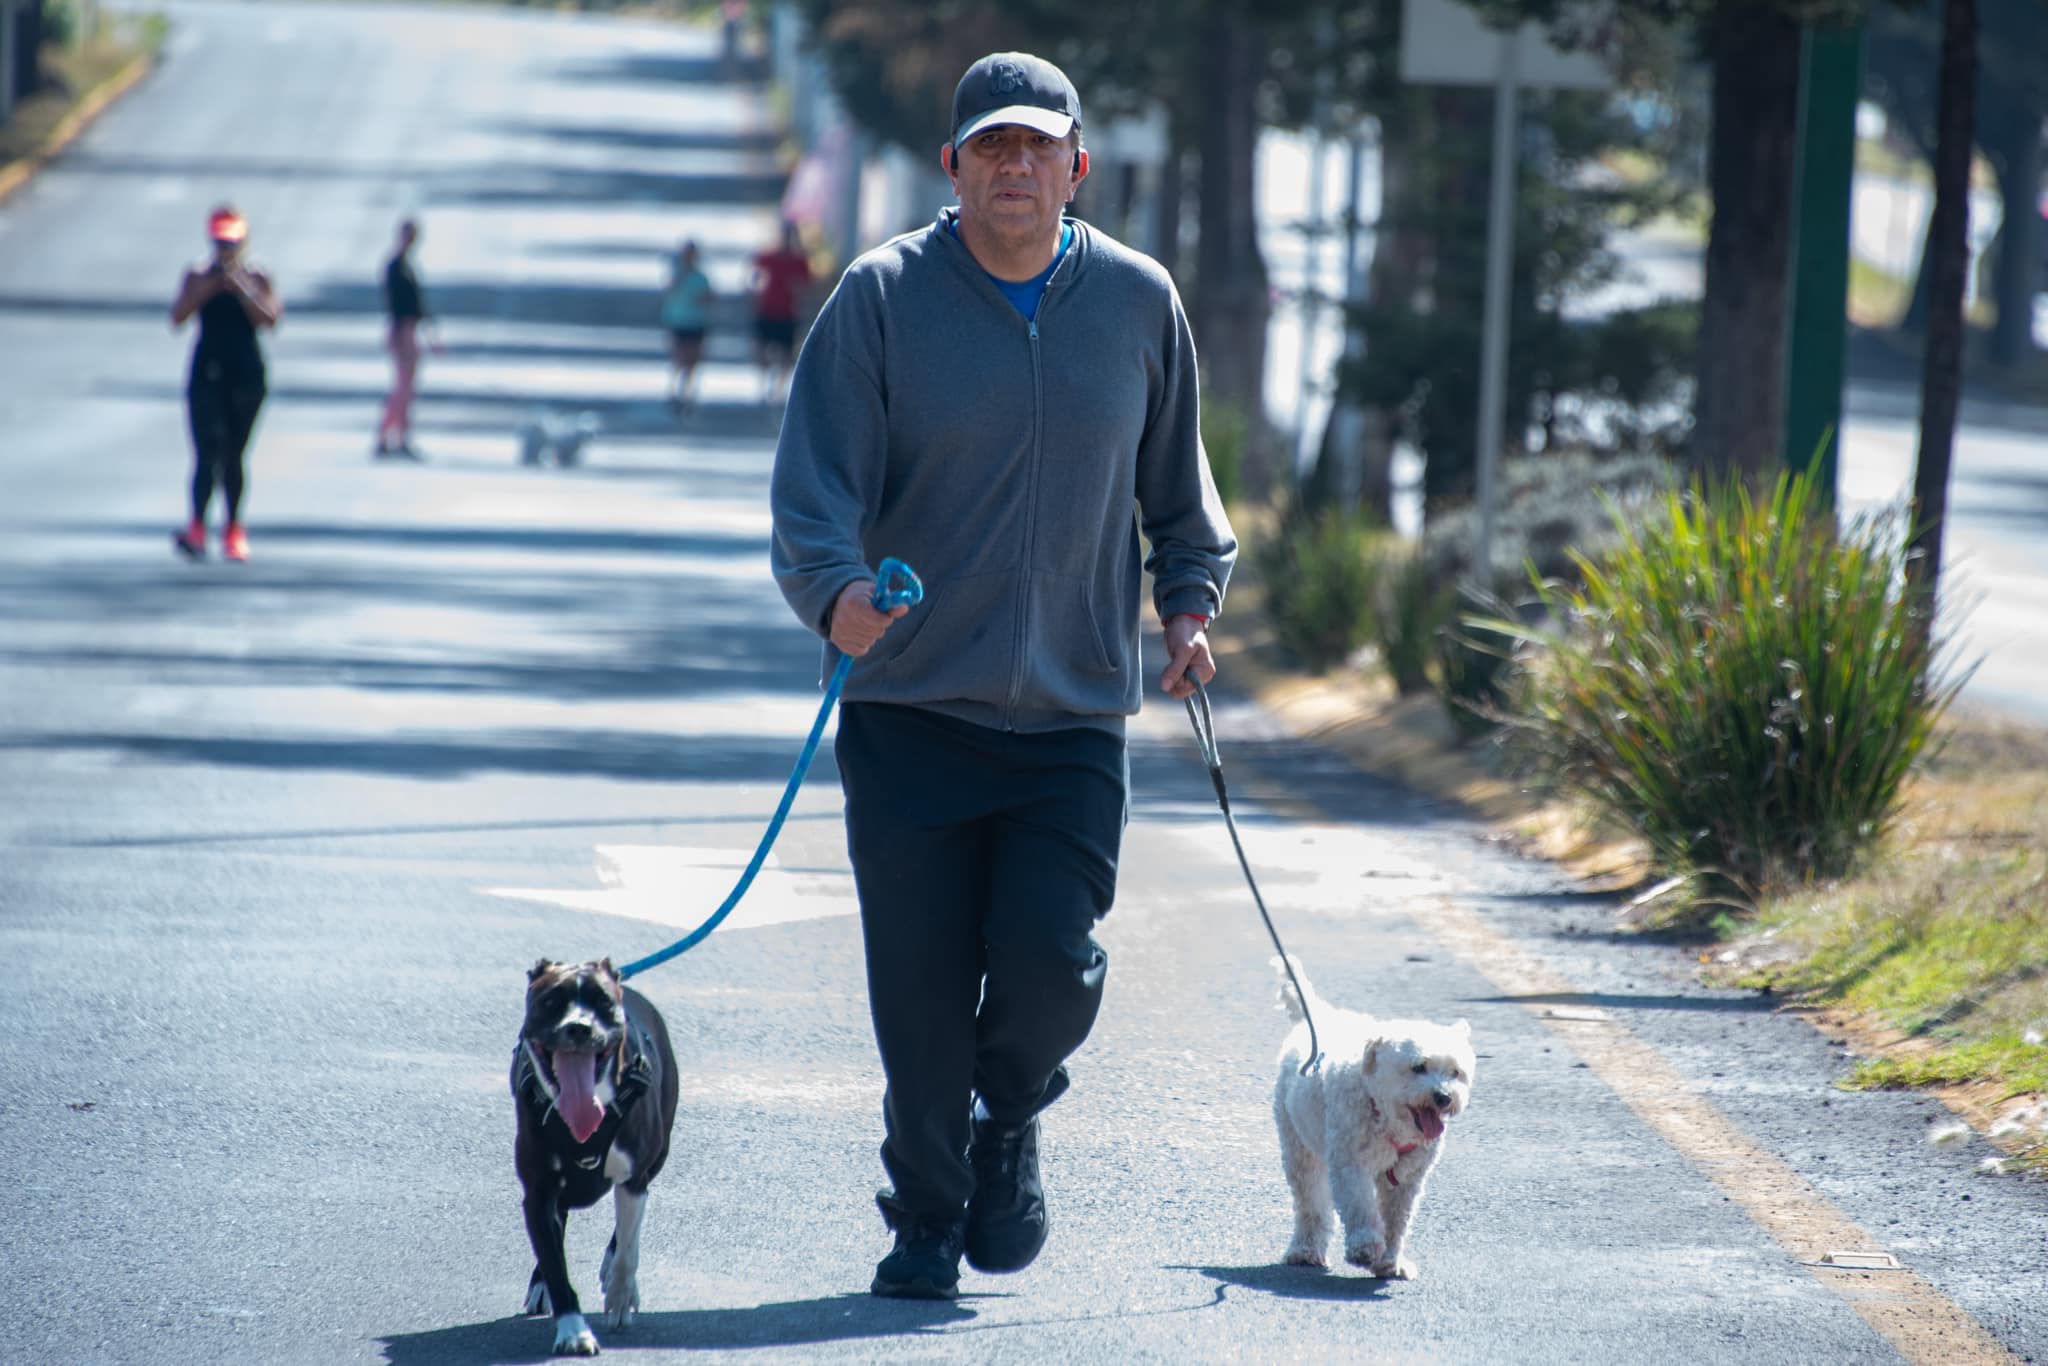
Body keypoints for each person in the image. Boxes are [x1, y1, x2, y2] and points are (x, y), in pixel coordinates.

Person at [768, 51, 1236, 1301]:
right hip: (910, 709)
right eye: (991, 148)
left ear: (1075, 167)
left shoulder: (1137, 304)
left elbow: (1181, 504)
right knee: (918, 1002)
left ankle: (1010, 1114)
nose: (1014, 167)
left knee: (1047, 959)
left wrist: (1187, 607)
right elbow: (813, 493)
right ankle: (925, 1216)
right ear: (954, 168)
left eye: (1037, 148)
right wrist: (838, 593)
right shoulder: (878, 299)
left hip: (1074, 715)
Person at [169, 205, 283, 562]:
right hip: (207, 371)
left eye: (232, 244)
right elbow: (178, 317)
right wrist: (209, 288)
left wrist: (242, 289)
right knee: (208, 450)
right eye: (220, 243)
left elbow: (270, 319)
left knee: (234, 453)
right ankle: (197, 527)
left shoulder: (257, 276)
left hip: (246, 373)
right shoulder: (197, 275)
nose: (225, 251)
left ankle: (234, 528)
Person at [377, 217, 433, 459]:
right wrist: (401, 333)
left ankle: (401, 436)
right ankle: (385, 436)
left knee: (407, 389)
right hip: (402, 329)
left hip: (411, 328)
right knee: (401, 389)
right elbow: (398, 304)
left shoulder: (407, 266)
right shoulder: (396, 266)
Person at [749, 220, 811, 405]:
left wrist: (798, 291)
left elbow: (806, 286)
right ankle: (763, 383)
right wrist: (755, 291)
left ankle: (777, 389)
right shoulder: (769, 256)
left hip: (787, 312)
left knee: (786, 353)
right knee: (761, 350)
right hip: (767, 309)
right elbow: (754, 275)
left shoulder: (800, 261)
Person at [660, 238, 713, 415]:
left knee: (693, 359)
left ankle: (687, 392)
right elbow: (668, 293)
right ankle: (674, 390)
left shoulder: (701, 277)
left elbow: (709, 298)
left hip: (696, 322)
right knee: (679, 357)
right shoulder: (676, 275)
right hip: (678, 321)